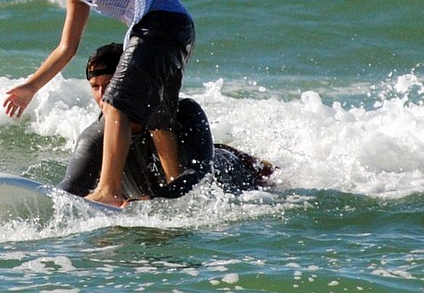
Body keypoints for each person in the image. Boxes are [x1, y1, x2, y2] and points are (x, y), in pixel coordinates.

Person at [4, 0, 209, 207]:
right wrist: (31, 86)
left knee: (115, 103)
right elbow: (66, 48)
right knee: (160, 115)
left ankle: (108, 190)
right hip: (176, 30)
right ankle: (176, 193)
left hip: (158, 26)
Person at [58, 43, 275, 201]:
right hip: (161, 193)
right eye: (95, 86)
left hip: (234, 171)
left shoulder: (185, 112)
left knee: (278, 182)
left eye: (110, 83)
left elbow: (198, 176)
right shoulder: (96, 137)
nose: (104, 94)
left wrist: (155, 200)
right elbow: (71, 187)